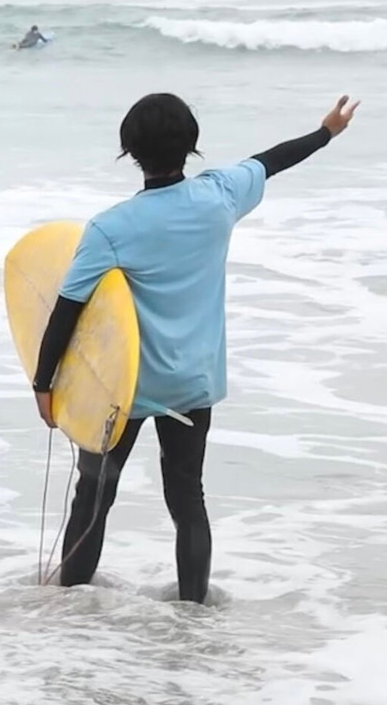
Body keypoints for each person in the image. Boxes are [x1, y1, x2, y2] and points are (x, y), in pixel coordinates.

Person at [32, 93, 360, 603]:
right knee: (187, 497)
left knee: (94, 493)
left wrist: (44, 383)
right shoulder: (220, 196)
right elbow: (273, 160)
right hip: (191, 383)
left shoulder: (110, 228)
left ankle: (69, 608)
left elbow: (66, 310)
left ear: (129, 151)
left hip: (123, 386)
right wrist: (326, 132)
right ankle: (193, 612)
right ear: (191, 145)